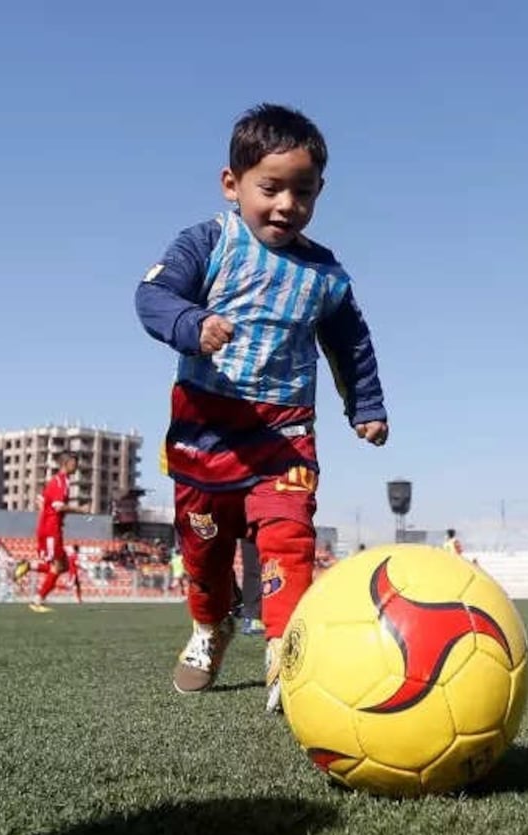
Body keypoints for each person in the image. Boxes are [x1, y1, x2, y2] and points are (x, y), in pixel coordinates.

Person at [135, 103, 388, 712]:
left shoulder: (326, 274)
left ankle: (287, 651)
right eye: (270, 189)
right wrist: (192, 324)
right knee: (204, 552)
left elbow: (351, 343)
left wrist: (366, 403)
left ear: (319, 192)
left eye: (303, 192)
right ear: (233, 184)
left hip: (284, 435)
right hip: (205, 429)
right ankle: (210, 625)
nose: (286, 205)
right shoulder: (208, 242)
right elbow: (152, 295)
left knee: (289, 537)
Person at [13, 452, 90, 612]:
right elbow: (58, 506)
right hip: (51, 529)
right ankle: (37, 601)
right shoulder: (61, 482)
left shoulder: (55, 481)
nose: (76, 466)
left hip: (50, 527)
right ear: (66, 464)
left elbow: (40, 501)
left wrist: (47, 518)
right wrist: (81, 510)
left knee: (63, 566)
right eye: (74, 463)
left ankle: (29, 566)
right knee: (57, 566)